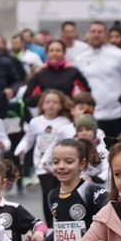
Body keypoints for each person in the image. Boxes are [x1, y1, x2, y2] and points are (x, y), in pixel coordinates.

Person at [15, 90, 76, 228]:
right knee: (48, 194)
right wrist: (21, 148)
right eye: (48, 102)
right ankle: (49, 226)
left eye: (55, 102)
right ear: (41, 105)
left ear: (61, 105)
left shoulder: (65, 122)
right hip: (42, 164)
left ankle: (63, 223)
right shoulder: (36, 122)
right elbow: (28, 139)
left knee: (62, 194)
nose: (51, 105)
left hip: (61, 164)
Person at [72, 21, 121, 146]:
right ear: (89, 34)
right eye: (93, 32)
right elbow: (76, 84)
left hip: (118, 113)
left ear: (106, 34)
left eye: (100, 32)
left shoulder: (118, 54)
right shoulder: (80, 58)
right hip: (91, 115)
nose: (96, 35)